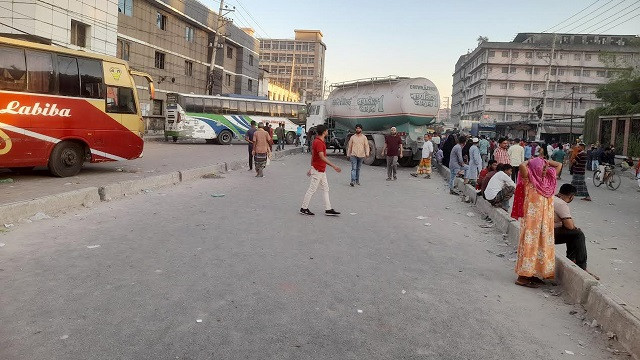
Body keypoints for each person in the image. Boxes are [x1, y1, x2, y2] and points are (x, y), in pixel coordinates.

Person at [513, 157, 562, 288]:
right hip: (531, 223)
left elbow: (559, 165)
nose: (546, 169)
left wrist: (544, 161)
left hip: (545, 222)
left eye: (546, 167)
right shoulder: (529, 179)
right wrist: (531, 161)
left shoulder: (549, 180)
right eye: (542, 167)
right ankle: (523, 277)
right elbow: (521, 165)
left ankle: (533, 274)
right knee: (531, 246)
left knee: (541, 246)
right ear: (534, 169)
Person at [300, 124, 341, 216]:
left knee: (325, 188)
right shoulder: (318, 142)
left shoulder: (319, 141)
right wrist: (334, 166)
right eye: (326, 131)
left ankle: (328, 208)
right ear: (323, 132)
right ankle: (304, 208)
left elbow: (313, 155)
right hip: (318, 169)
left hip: (320, 169)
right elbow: (321, 156)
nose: (327, 132)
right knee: (312, 189)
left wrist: (311, 167)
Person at [554, 184, 589, 272]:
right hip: (550, 233)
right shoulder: (561, 204)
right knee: (578, 234)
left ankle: (571, 258)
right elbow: (569, 225)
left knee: (573, 232)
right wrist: (574, 227)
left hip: (545, 230)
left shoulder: (553, 198)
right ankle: (582, 266)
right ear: (571, 196)